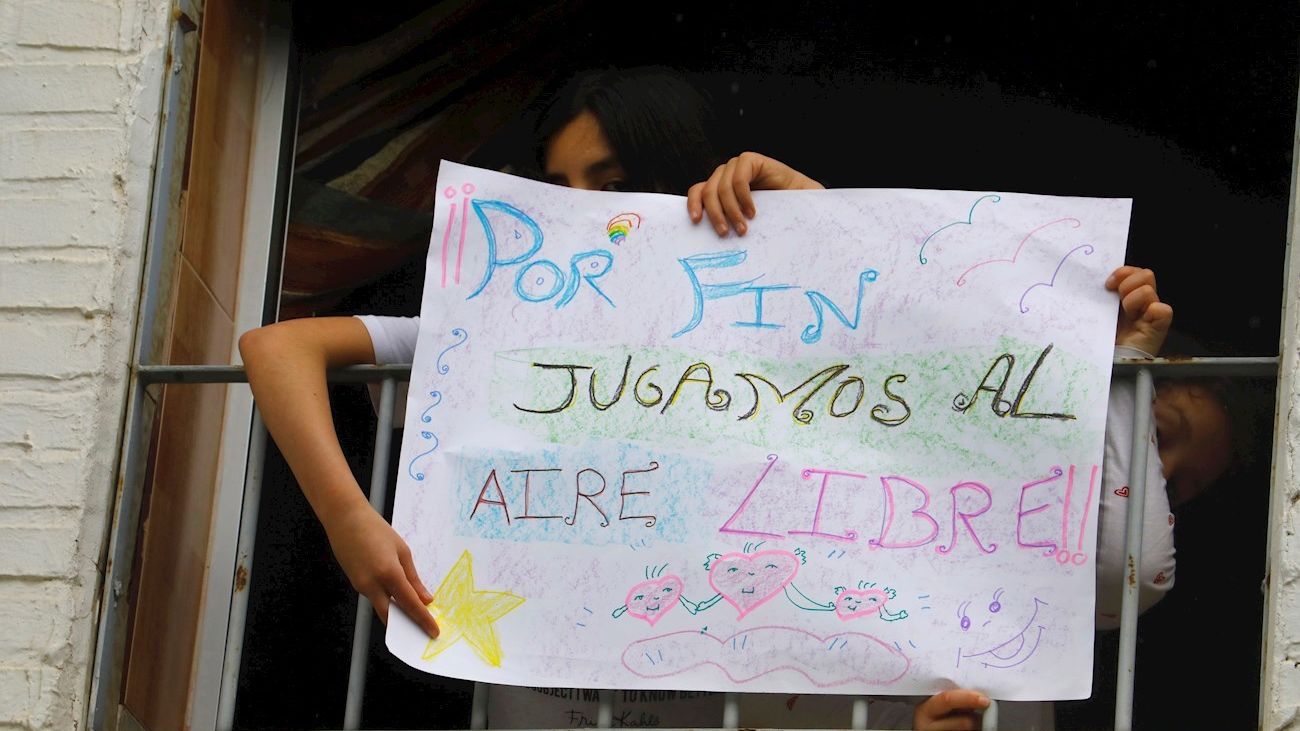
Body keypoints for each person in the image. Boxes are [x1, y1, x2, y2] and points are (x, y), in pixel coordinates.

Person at [240, 66, 823, 729]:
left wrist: (805, 206)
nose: (580, 210)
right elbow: (276, 349)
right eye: (559, 187)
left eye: (613, 184)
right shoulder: (496, 331)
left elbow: (889, 327)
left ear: (682, 176)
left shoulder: (759, 325)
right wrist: (349, 521)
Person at [910, 266, 1238, 731]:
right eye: (1158, 436)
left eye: (1176, 486)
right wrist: (1123, 370)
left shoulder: (1073, 586)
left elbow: (1133, 571)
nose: (1159, 476)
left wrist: (1129, 360)